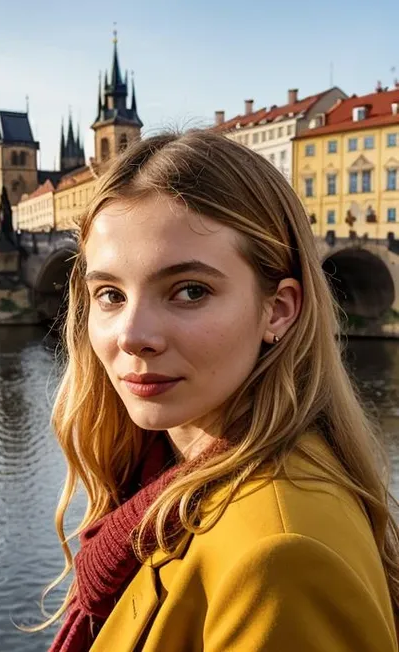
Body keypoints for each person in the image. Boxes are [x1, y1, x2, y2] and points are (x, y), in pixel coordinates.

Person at [42, 130, 399, 651]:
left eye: (190, 291)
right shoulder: (157, 479)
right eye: (111, 294)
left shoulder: (280, 559)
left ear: (278, 309)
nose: (134, 335)